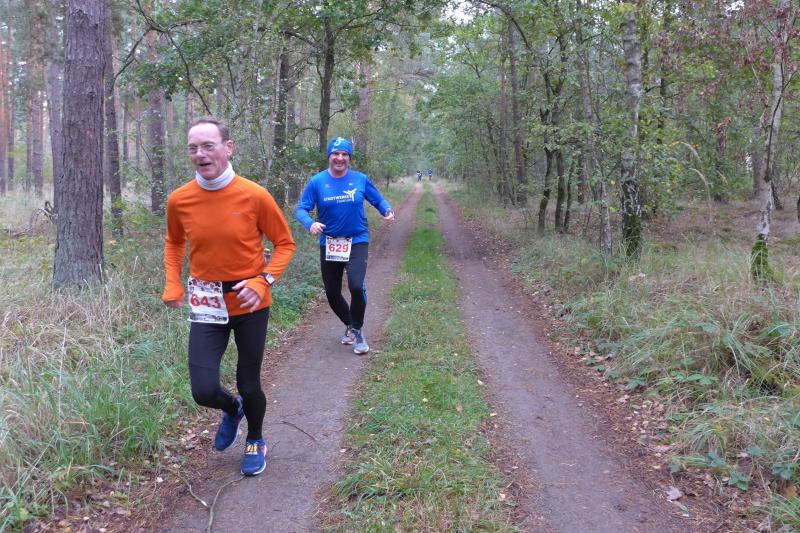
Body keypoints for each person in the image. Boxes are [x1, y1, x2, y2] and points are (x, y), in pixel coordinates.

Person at [162, 116, 295, 477]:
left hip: (250, 302)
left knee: (249, 383)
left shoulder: (255, 195)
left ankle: (255, 438)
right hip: (207, 303)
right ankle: (232, 408)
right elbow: (174, 242)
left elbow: (284, 244)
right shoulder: (180, 200)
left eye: (208, 146)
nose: (200, 154)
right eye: (193, 148)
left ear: (228, 148)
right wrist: (173, 282)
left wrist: (263, 281)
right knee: (203, 390)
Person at [295, 136, 394, 355]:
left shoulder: (360, 179)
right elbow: (301, 209)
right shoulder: (317, 182)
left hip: (357, 240)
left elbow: (378, 200)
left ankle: (357, 330)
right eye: (336, 154)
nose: (340, 158)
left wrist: (386, 210)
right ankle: (350, 323)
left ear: (349, 158)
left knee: (356, 286)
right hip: (330, 242)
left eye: (344, 154)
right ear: (329, 156)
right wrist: (310, 223)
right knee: (332, 292)